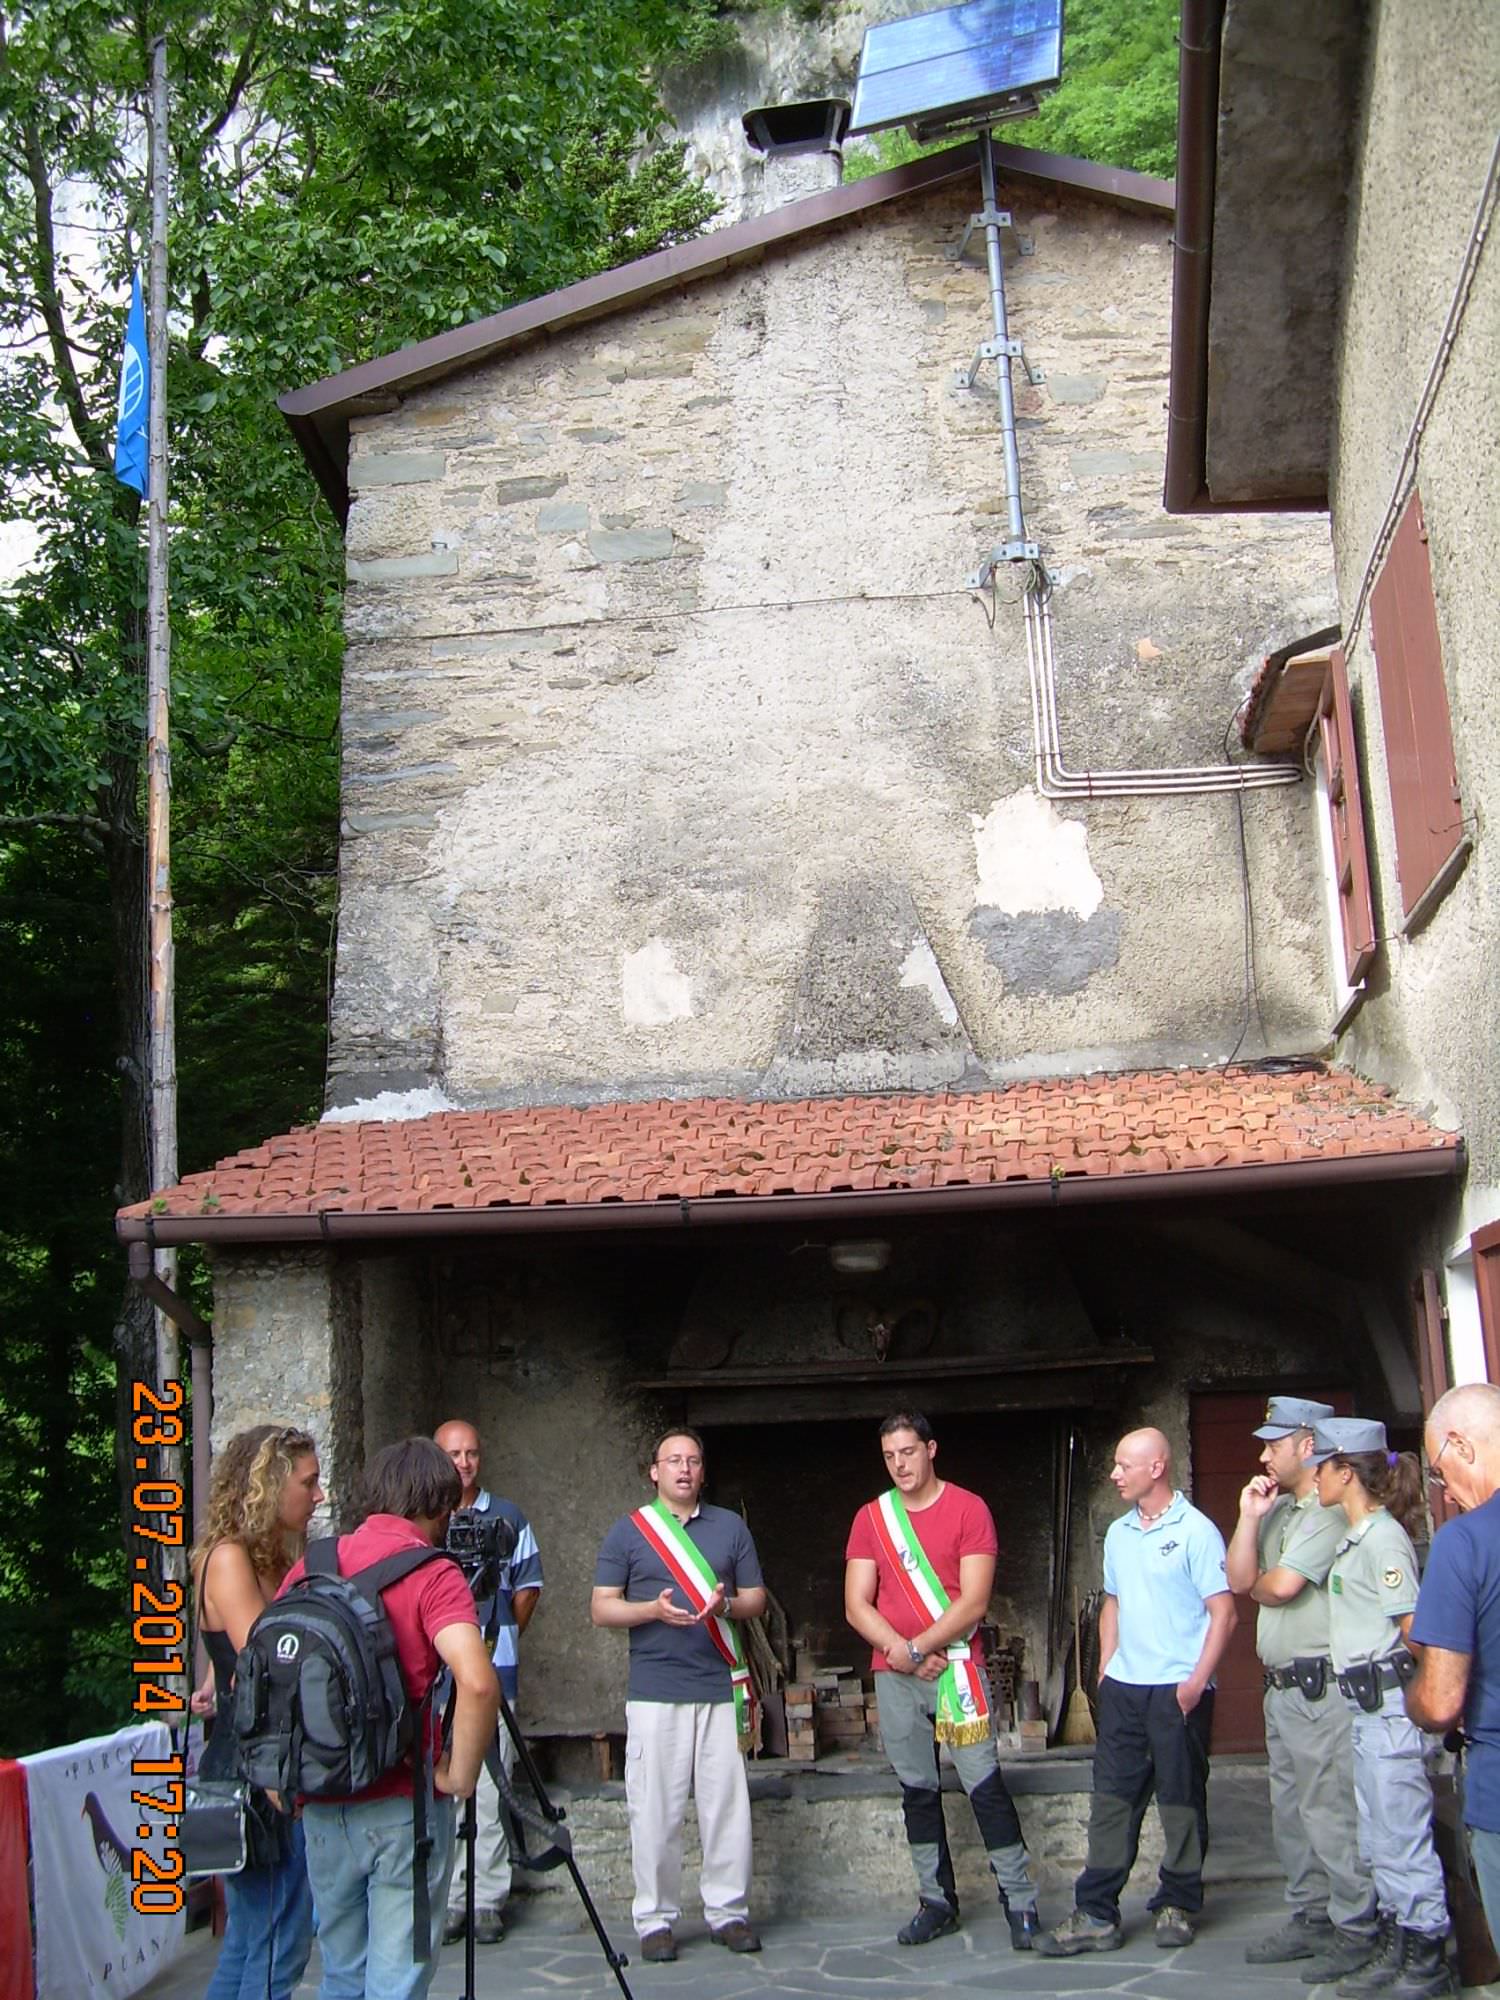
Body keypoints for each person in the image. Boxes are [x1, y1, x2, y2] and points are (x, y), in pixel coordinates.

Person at [281, 1437, 500, 2000]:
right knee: (396, 1979)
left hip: (322, 1800)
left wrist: (280, 1777)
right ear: (438, 1502)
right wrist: (460, 1775)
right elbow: (476, 1680)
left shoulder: (313, 1565)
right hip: (403, 1802)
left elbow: (264, 1677)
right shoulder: (432, 1573)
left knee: (341, 1974)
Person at [843, 1410, 1039, 1949]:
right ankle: (936, 1902)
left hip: (958, 1672)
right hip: (895, 1674)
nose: (899, 1464)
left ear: (931, 1449)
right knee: (917, 1791)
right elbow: (855, 1604)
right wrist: (900, 1653)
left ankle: (1019, 1902)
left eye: (907, 1452)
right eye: (889, 1456)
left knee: (985, 1786)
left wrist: (918, 1648)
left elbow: (974, 1602)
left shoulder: (969, 1509)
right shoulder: (871, 1517)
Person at [1038, 1426, 1236, 1957]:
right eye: (1115, 1464)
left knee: (1181, 1800)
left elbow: (1225, 1613)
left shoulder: (1197, 1531)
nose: (1114, 1473)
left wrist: (1195, 1683)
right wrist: (1106, 1667)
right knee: (1112, 1802)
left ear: (1157, 1467)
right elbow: (1113, 1603)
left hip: (1178, 1691)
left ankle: (1178, 1902)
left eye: (1125, 1464)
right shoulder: (1120, 1533)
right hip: (1126, 1690)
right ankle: (1097, 1912)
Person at [591, 1427, 767, 1962]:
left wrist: (726, 1608)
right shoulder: (628, 1533)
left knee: (726, 1808)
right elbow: (602, 1607)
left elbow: (756, 1598)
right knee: (656, 1810)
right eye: (673, 1460)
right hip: (655, 1692)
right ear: (655, 1471)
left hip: (719, 1686)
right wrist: (650, 1611)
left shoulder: (730, 1528)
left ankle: (728, 1912)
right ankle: (656, 1919)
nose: (683, 1469)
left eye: (692, 1460)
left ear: (703, 1471)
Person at [1226, 1397, 1378, 1977]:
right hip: (1283, 1689)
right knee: (1290, 1811)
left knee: (1329, 1811)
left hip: (1321, 1689)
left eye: (1273, 1443)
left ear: (1306, 1445)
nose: (1264, 1455)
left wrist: (1262, 1582)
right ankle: (1312, 1915)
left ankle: (1355, 1924)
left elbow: (1280, 1587)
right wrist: (1248, 1517)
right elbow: (1241, 1579)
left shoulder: (1331, 1512)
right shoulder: (1283, 1511)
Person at [1312, 1415, 1453, 1998]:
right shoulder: (1357, 1538)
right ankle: (1397, 1945)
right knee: (1379, 1838)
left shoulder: (1383, 1538)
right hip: (1367, 1710)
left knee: (1401, 1835)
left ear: (1347, 1472)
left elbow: (1417, 1628)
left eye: (1322, 1465)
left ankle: (1426, 1959)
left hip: (1390, 1706)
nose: (1315, 1476)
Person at [189, 1424, 321, 2000]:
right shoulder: (229, 1559)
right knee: (276, 1942)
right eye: (308, 1483)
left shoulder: (274, 1554)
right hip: (252, 1773)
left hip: (270, 1762)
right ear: (270, 1485)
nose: (318, 1496)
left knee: (257, 1938)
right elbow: (266, 1663)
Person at [433, 1418, 544, 1948]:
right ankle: (449, 1898)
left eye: (472, 1453)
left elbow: (528, 1586)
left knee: (489, 1790)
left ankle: (485, 1900)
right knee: (443, 1789)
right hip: (434, 1679)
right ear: (436, 1457)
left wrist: (501, 1635)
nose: (464, 1463)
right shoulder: (425, 1517)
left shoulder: (508, 1517)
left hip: (492, 1671)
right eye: (453, 1453)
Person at [1406, 1384, 1500, 1945]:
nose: (1445, 1491)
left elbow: (1440, 1702)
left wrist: (1411, 1695)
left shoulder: (1463, 1542)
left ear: (1462, 1445)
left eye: (1440, 1472)